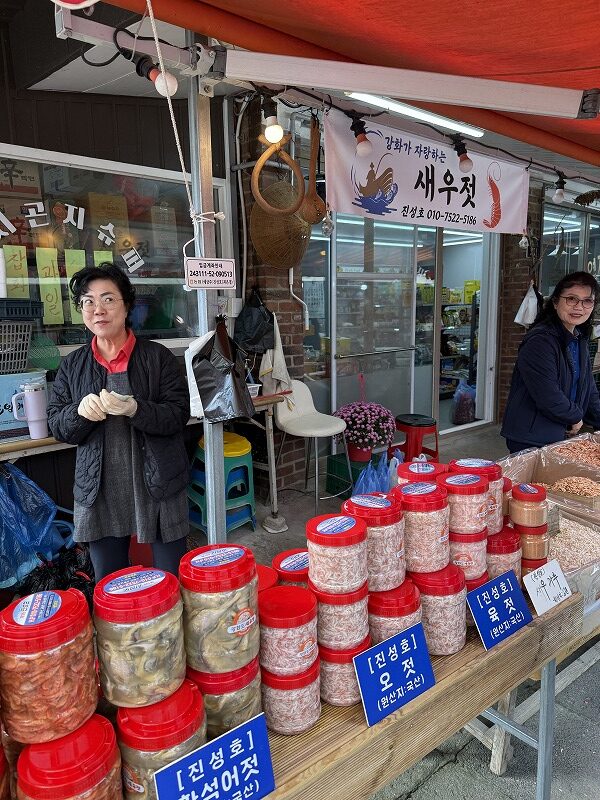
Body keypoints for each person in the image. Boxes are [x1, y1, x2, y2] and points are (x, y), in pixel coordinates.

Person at [47, 263, 190, 580]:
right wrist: (78, 412)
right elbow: (57, 424)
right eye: (88, 301)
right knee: (110, 585)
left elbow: (178, 414)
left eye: (108, 299)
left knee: (172, 580)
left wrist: (136, 409)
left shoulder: (157, 357)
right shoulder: (72, 366)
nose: (97, 309)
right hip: (100, 490)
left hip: (158, 486)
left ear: (127, 305)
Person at [501, 271, 600, 453]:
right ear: (555, 302)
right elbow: (547, 394)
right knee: (536, 483)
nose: (579, 307)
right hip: (531, 436)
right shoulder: (541, 341)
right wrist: (576, 417)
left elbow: (588, 385)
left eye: (587, 301)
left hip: (560, 431)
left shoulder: (579, 338)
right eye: (571, 299)